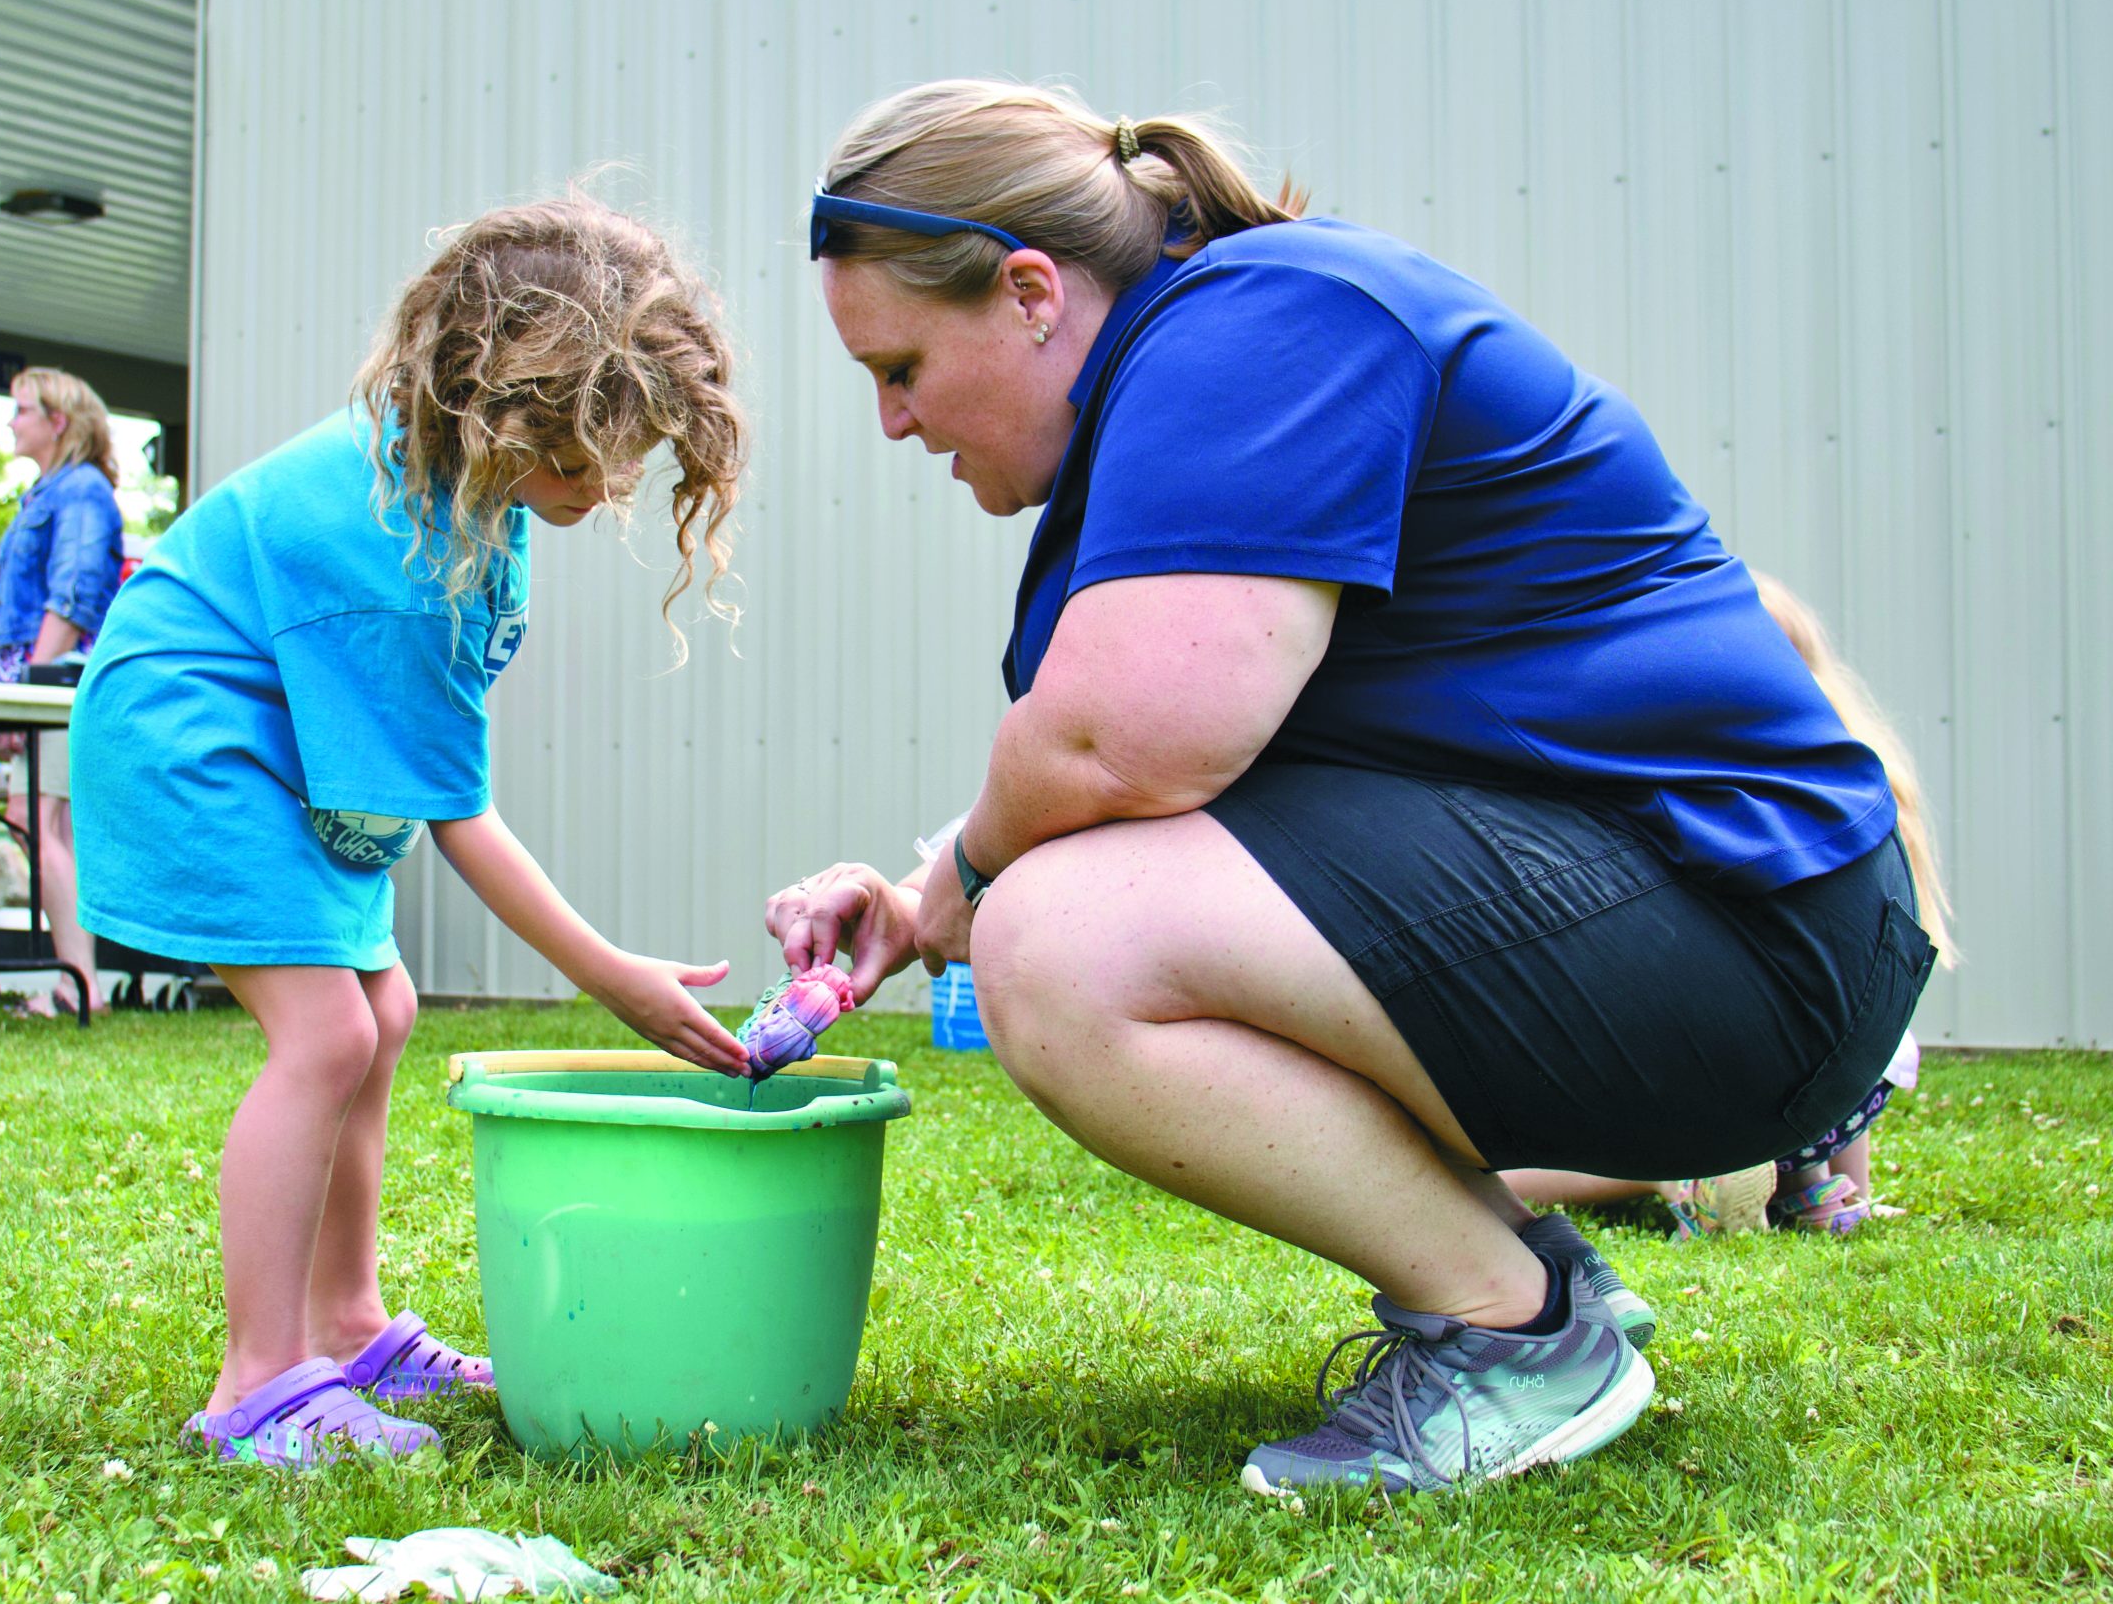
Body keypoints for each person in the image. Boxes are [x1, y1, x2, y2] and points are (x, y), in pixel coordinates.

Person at [768, 82, 1936, 1497]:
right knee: (1066, 905)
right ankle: (1529, 1276)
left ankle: (1520, 1335)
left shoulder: (1257, 323)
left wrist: (960, 886)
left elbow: (1119, 744)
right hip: (1698, 915)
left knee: (1065, 940)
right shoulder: (1207, 353)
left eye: (900, 365)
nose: (894, 421)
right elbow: (1141, 766)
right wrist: (917, 898)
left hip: (1753, 932)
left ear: (1029, 291)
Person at [70, 195, 750, 1467]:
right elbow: (460, 818)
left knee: (381, 1018)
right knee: (325, 1034)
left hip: (273, 738)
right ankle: (258, 1384)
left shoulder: (470, 498)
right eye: (586, 457)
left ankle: (347, 1320)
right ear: (494, 421)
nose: (611, 485)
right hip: (192, 746)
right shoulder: (387, 549)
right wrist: (610, 977)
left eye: (633, 455)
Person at [1502, 571, 1959, 1237]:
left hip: (1711, 1072)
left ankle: (1673, 1172)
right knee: (1846, 1009)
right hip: (1843, 1082)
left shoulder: (1688, 772)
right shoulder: (1859, 770)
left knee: (1507, 1166)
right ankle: (1824, 1190)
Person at [0, 366, 125, 1019]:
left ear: (58, 421)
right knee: (30, 820)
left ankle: (77, 985)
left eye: (21, 410)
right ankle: (76, 980)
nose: (11, 422)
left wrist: (27, 689)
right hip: (38, 682)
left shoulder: (82, 494)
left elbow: (72, 599)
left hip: (58, 684)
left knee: (48, 825)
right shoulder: (47, 493)